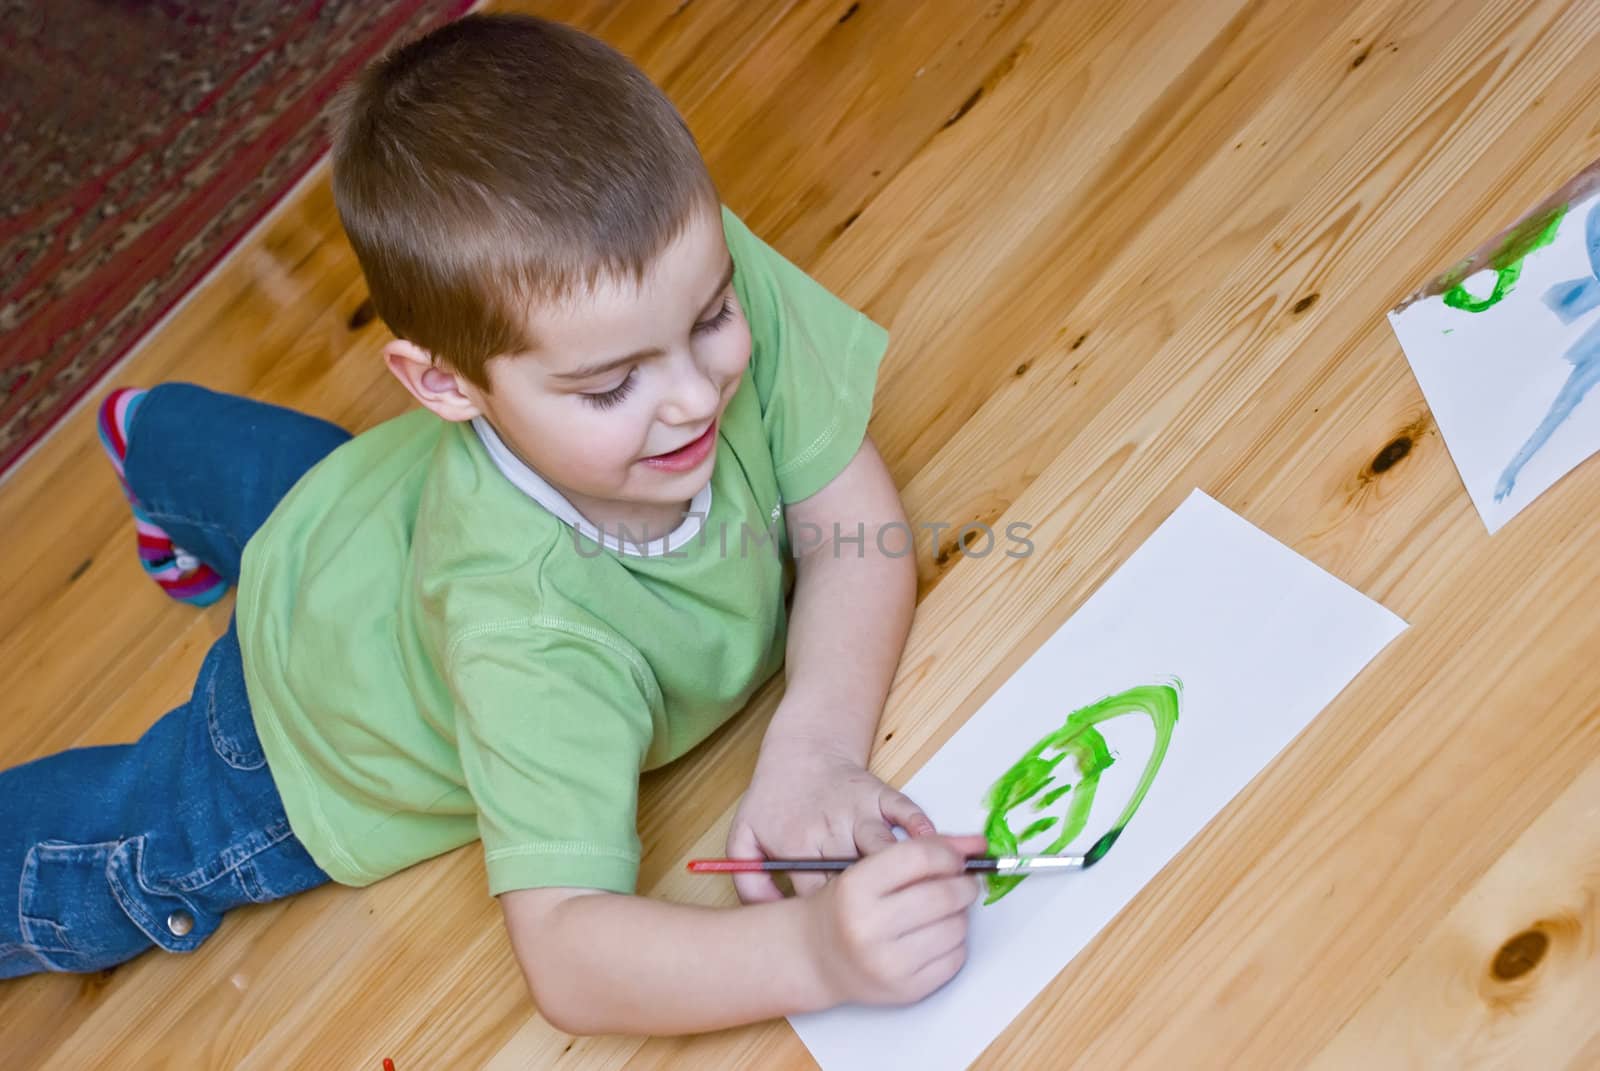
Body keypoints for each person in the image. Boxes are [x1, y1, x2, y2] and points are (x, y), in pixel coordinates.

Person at [0, 13, 987, 1035]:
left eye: (711, 321)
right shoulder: (521, 632)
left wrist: (815, 747)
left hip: (363, 515)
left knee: (304, 502)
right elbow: (568, 951)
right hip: (297, 734)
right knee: (104, 857)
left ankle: (155, 433)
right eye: (610, 387)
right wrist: (814, 953)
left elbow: (852, 525)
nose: (697, 395)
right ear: (445, 383)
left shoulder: (663, 269)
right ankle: (160, 442)